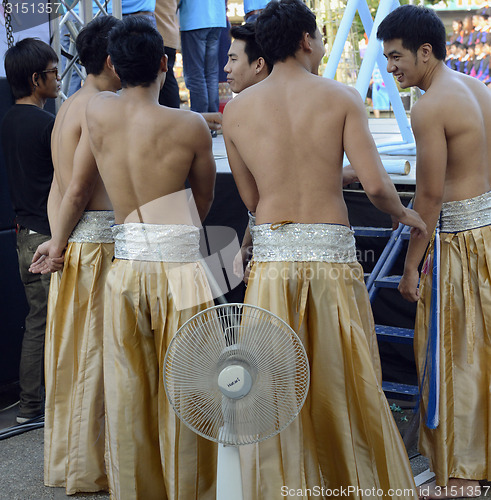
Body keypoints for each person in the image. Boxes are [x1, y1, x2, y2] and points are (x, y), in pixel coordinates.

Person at [222, 1, 426, 498]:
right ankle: (347, 483)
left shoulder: (237, 111)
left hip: (272, 261)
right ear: (308, 41)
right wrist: (405, 215)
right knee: (344, 377)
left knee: (274, 382)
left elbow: (251, 199)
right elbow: (378, 187)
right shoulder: (339, 97)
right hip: (331, 259)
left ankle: (282, 485)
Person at [85, 16, 216, 499]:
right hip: (179, 266)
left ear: (115, 67)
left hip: (126, 267)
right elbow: (203, 201)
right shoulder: (189, 125)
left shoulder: (96, 112)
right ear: (165, 63)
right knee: (189, 385)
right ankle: (191, 490)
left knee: (129, 393)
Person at [378, 5, 491, 499]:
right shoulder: (477, 88)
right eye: (385, 57)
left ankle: (464, 471)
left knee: (457, 353)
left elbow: (428, 198)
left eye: (397, 56)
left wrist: (410, 265)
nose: (390, 67)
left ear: (426, 51)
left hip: (460, 244)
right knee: (482, 350)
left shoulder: (429, 106)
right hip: (487, 232)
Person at [29, 16, 122, 495]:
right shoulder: (99, 108)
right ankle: (97, 463)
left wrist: (57, 238)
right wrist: (59, 241)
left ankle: (79, 460)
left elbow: (58, 189)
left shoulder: (67, 107)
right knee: (99, 356)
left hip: (74, 242)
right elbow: (79, 188)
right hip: (94, 246)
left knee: (77, 354)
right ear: (112, 60)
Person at [0, 38, 59, 425]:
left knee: (37, 319)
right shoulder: (46, 124)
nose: (57, 80)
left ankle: (30, 406)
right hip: (44, 239)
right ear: (37, 79)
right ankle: (32, 407)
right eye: (53, 74)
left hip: (24, 235)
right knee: (46, 322)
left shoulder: (7, 120)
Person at [178, 0, 226, 113]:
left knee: (195, 74)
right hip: (217, 17)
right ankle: (212, 121)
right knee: (211, 74)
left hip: (194, 18)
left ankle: (200, 119)